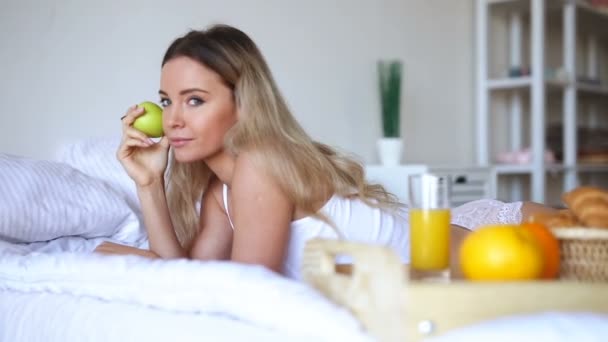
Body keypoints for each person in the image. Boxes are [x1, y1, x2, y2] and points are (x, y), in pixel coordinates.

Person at [95, 24, 556, 279]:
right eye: (166, 100)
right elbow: (193, 277)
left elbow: (242, 291)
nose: (173, 118)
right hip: (461, 251)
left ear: (243, 103)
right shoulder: (223, 192)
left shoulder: (261, 164)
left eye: (195, 99)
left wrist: (145, 263)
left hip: (491, 242)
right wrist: (151, 184)